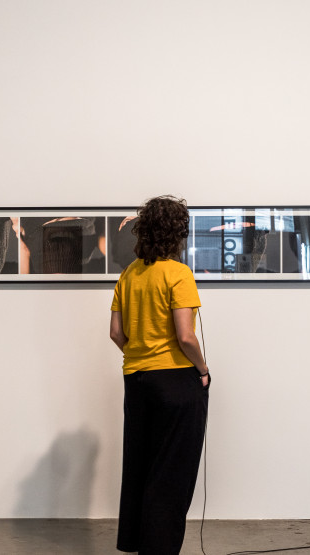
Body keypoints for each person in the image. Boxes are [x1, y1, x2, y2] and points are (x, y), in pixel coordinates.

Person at [109, 195, 210, 554]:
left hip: (136, 380)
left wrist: (140, 356)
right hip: (176, 382)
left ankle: (139, 544)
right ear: (178, 234)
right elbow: (185, 336)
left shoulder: (129, 274)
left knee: (141, 464)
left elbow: (116, 334)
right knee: (172, 471)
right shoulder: (178, 274)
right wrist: (203, 369)